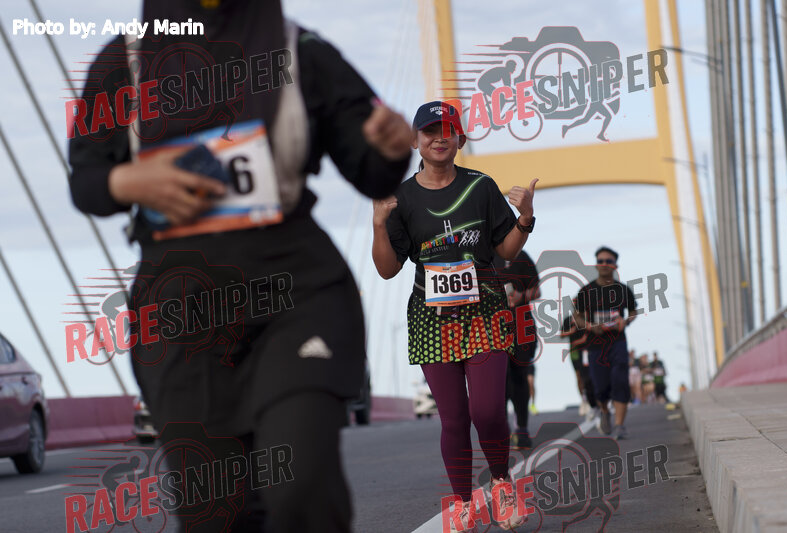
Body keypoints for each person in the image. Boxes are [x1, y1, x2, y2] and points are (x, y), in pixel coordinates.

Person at [68, 2, 413, 531]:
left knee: (301, 485)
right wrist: (127, 181)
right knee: (215, 516)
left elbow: (371, 171)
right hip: (180, 312)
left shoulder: (300, 51)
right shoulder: (124, 64)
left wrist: (389, 148)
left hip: (296, 293)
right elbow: (86, 180)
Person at [371, 101, 538, 532]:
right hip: (431, 318)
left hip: (484, 310)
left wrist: (525, 218)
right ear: (415, 141)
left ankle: (501, 483)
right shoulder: (401, 199)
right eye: (429, 131)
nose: (439, 138)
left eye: (447, 130)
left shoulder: (481, 187)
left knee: (487, 410)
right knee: (454, 418)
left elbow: (505, 249)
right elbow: (387, 270)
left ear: (460, 139)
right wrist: (378, 225)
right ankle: (463, 502)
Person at [574, 246, 638, 440]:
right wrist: (590, 326)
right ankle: (604, 410)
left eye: (608, 261)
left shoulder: (622, 289)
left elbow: (633, 311)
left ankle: (620, 426)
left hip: (617, 343)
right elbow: (577, 316)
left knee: (620, 381)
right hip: (595, 345)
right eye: (600, 261)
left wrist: (625, 321)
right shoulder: (586, 291)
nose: (604, 264)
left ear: (615, 265)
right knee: (600, 387)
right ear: (596, 264)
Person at [493, 250, 540, 449]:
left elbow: (537, 291)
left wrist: (522, 296)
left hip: (521, 324)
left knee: (520, 376)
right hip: (491, 328)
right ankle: (502, 432)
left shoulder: (520, 255)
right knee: (499, 381)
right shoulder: (480, 254)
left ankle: (522, 429)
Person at [561, 307, 596, 418]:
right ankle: (584, 399)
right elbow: (561, 334)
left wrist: (582, 340)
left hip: (586, 350)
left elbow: (591, 332)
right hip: (575, 352)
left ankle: (593, 398)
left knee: (588, 375)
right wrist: (571, 331)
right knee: (579, 376)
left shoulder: (587, 318)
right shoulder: (568, 320)